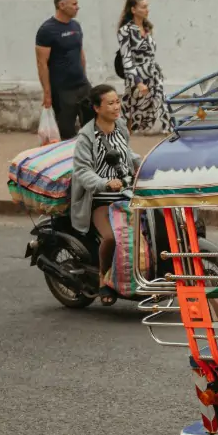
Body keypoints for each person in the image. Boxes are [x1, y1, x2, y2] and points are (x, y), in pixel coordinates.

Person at [71, 84, 141, 291]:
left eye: (117, 102)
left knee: (146, 231)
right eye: (110, 103)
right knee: (112, 238)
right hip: (99, 199)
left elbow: (127, 154)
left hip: (125, 194)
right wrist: (105, 183)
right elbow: (82, 172)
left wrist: (143, 165)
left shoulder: (120, 127)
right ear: (96, 108)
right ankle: (103, 279)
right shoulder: (86, 137)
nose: (116, 107)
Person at [35, 0, 92, 140]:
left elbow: (80, 52)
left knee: (92, 128)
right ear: (61, 5)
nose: (77, 7)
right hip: (62, 91)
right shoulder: (47, 30)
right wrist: (47, 93)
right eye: (74, 4)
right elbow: (42, 63)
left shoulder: (76, 26)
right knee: (67, 132)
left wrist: (84, 78)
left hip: (82, 86)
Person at [116, 0, 166, 133]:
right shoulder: (125, 31)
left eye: (147, 6)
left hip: (154, 76)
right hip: (136, 78)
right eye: (143, 7)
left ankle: (164, 138)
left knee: (161, 108)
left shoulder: (147, 28)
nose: (147, 10)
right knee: (135, 115)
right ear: (133, 10)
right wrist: (138, 82)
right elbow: (126, 59)